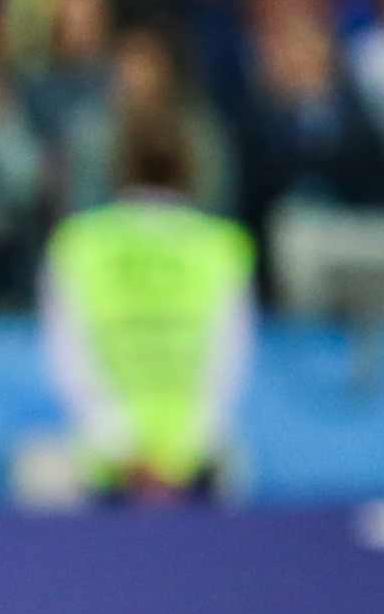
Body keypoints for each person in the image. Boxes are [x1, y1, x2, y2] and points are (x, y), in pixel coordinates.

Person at [39, 112, 254, 499]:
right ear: (192, 168)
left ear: (117, 167)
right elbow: (228, 360)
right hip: (193, 464)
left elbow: (68, 353)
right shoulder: (221, 245)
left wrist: (124, 448)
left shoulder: (79, 242)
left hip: (106, 463)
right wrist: (178, 458)